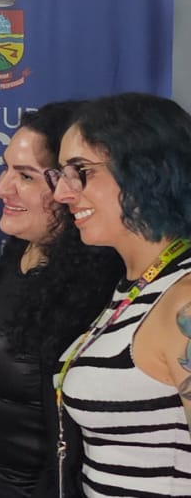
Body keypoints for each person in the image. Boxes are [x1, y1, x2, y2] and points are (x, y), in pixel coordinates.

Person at [0, 101, 122, 497]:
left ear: (72, 185)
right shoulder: (19, 253)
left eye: (26, 176)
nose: (1, 187)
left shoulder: (96, 291)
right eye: (6, 168)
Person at [50, 93, 191, 496]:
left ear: (147, 168)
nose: (62, 193)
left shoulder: (182, 301)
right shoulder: (138, 285)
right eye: (61, 174)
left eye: (81, 171)